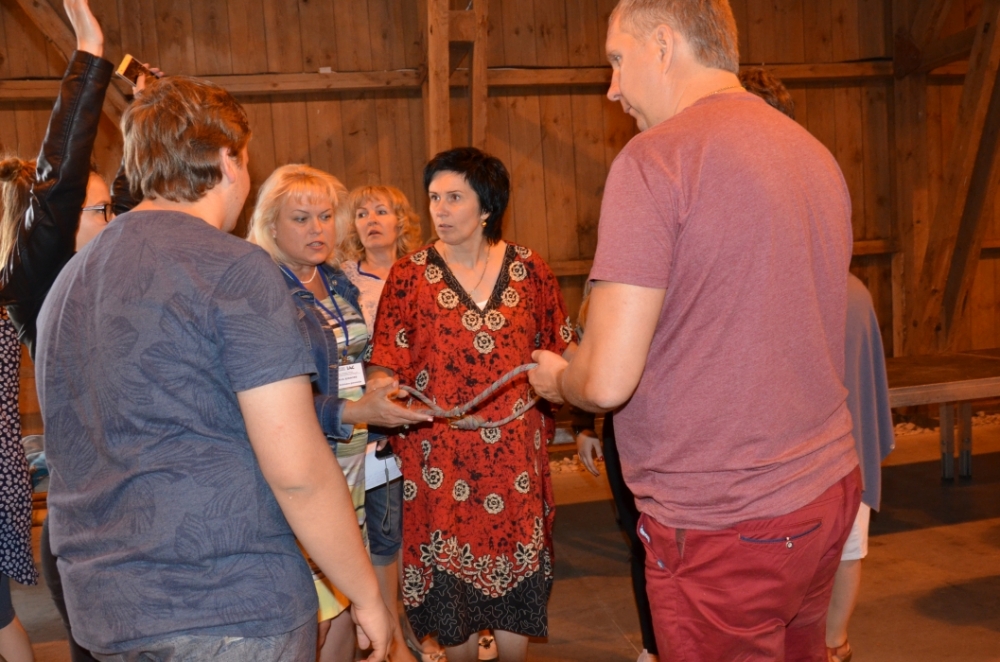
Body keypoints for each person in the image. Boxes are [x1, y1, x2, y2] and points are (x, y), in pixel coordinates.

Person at [529, 1, 860, 660]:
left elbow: (608, 379)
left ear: (663, 44)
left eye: (617, 60)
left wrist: (561, 378)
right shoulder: (812, 151)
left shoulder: (656, 160)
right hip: (826, 487)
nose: (612, 88)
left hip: (726, 518)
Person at [35, 75, 393, 661]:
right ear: (229, 160)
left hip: (106, 609)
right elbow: (297, 468)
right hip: (226, 602)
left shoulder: (69, 281)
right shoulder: (236, 268)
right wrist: (366, 594)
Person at [369, 147, 575, 662]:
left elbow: (564, 351)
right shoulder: (409, 275)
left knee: (517, 576)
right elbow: (385, 361)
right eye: (434, 197)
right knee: (450, 591)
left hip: (515, 456)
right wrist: (382, 393)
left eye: (454, 197)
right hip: (439, 457)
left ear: (487, 205)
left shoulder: (530, 270)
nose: (439, 209)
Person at [248, 165, 430, 662]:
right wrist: (353, 410)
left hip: (353, 463)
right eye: (301, 218)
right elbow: (268, 401)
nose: (318, 229)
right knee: (318, 618)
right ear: (271, 224)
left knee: (349, 605)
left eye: (326, 216)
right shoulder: (264, 290)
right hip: (307, 467)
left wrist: (378, 379)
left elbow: (350, 358)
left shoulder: (333, 278)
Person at [0, 2, 120, 660]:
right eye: (97, 209)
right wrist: (89, 56)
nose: (112, 219)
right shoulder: (37, 282)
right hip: (90, 527)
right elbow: (59, 179)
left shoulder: (107, 279)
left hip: (133, 511)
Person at [341, 185, 445, 662]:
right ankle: (394, 638)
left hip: (429, 416)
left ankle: (433, 627)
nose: (371, 220)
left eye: (381, 211)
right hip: (377, 424)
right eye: (361, 213)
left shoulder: (428, 270)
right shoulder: (344, 280)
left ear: (402, 220)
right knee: (386, 533)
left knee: (430, 528)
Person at [570, 290, 657, 662]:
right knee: (641, 540)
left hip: (676, 426)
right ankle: (652, 644)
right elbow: (587, 355)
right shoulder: (604, 292)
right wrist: (583, 424)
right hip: (623, 429)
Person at [825, 275, 894, 662]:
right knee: (848, 550)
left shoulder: (783, 283)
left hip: (798, 458)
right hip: (850, 447)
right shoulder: (855, 291)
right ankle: (835, 643)